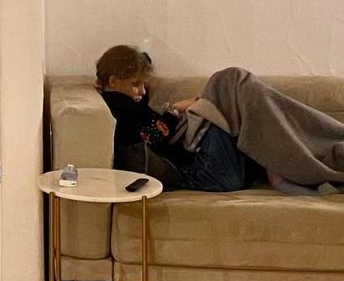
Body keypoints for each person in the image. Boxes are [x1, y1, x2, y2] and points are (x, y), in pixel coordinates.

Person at [93, 44, 261, 193]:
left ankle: (270, 167)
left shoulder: (131, 103)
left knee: (231, 95)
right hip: (200, 173)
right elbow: (148, 138)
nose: (143, 91)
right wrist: (174, 112)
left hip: (216, 171)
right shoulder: (119, 109)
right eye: (136, 85)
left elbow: (142, 71)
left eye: (145, 85)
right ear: (113, 82)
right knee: (226, 83)